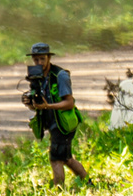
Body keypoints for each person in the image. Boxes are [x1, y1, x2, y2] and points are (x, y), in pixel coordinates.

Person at [20, 41, 89, 186]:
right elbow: (38, 106)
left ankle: (59, 190)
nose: (39, 62)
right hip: (51, 122)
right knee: (66, 158)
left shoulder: (60, 75)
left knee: (55, 158)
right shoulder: (36, 77)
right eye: (36, 59)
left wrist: (48, 106)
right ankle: (88, 183)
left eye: (42, 59)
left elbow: (69, 103)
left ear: (49, 58)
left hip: (64, 122)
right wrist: (30, 103)